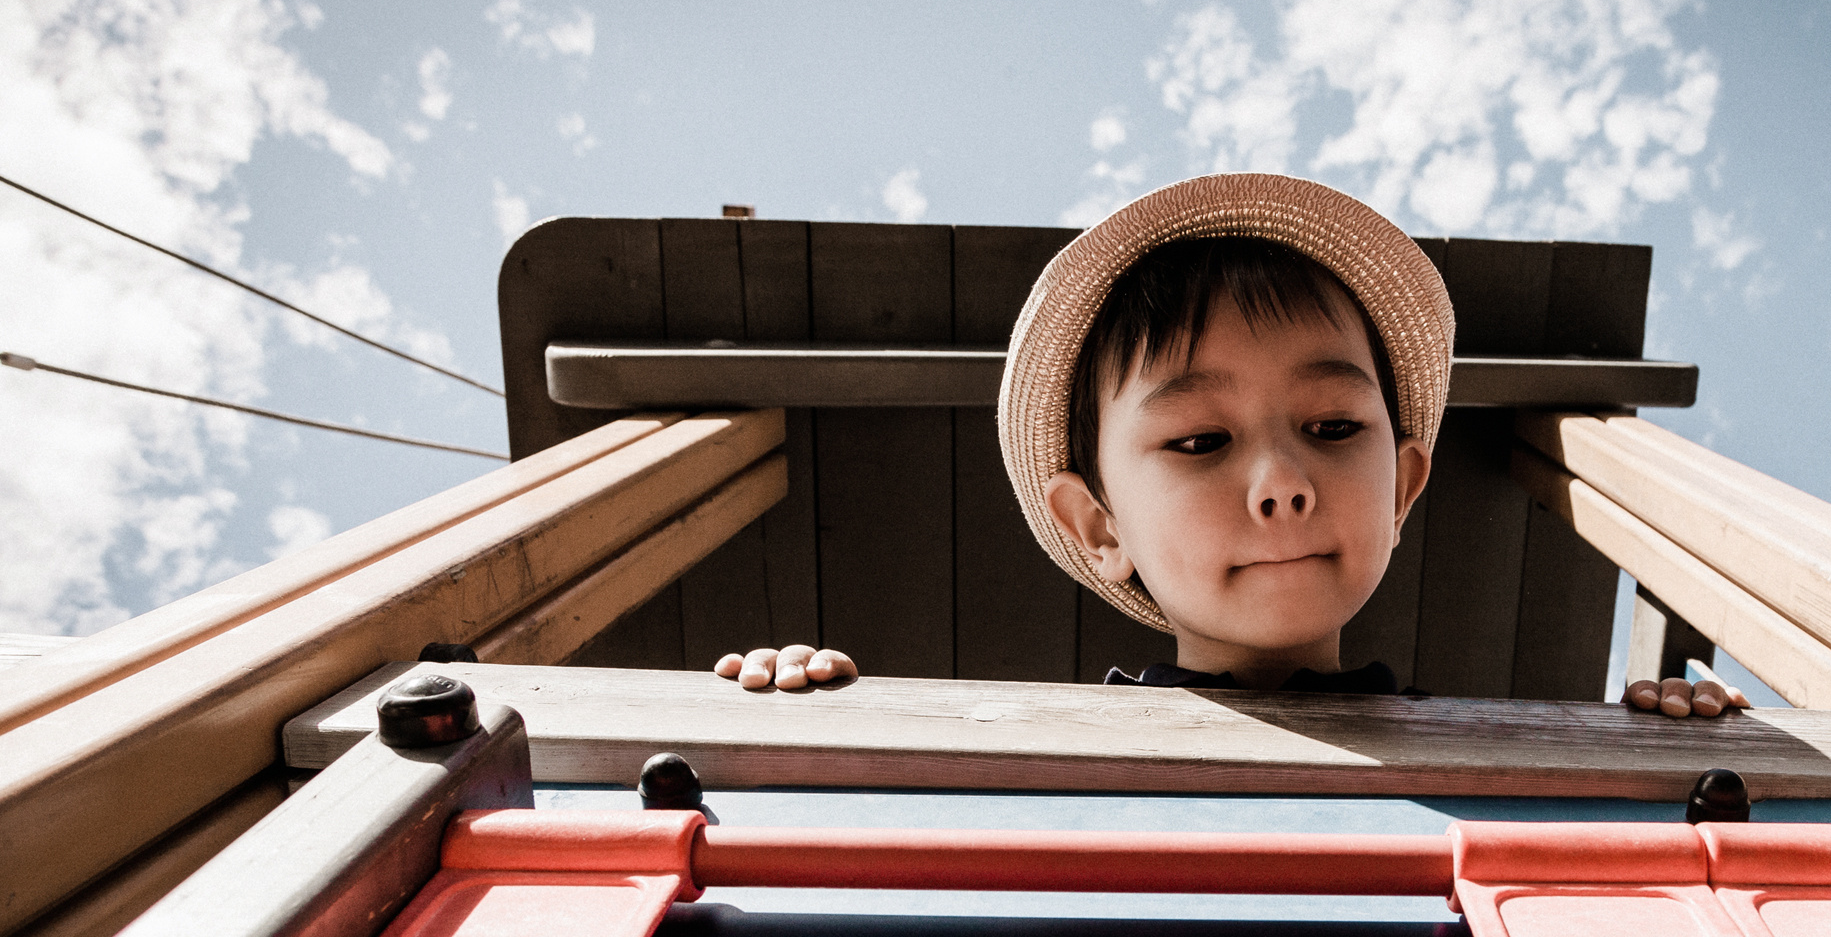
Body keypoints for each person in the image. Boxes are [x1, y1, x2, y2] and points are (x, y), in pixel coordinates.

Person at [716, 173, 1746, 716]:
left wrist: (1653, 741)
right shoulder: (1055, 758)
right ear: (1098, 525)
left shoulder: (1497, 752)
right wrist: (797, 726)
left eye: (1335, 428)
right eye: (1202, 438)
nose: (1284, 484)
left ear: (1402, 485)